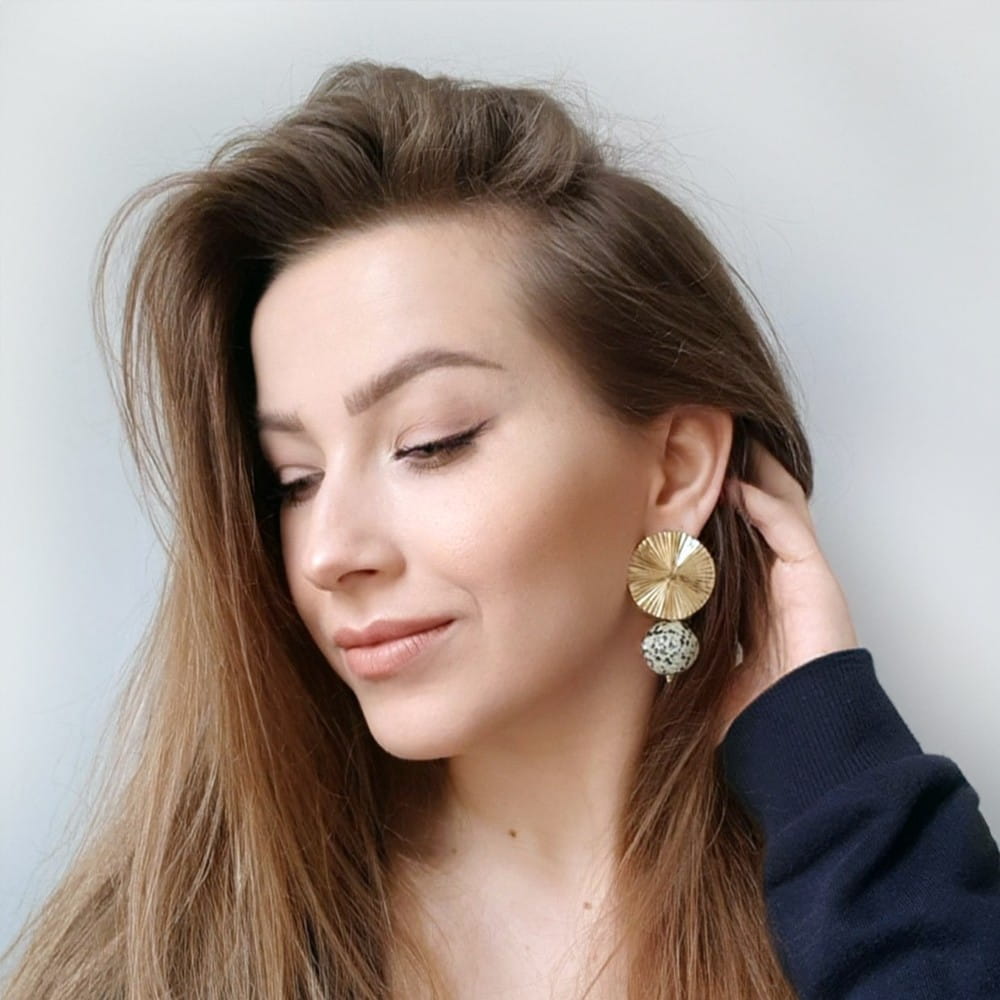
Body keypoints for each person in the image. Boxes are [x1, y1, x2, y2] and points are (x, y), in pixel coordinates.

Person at [3, 59, 998, 1000]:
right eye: (292, 481)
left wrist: (835, 763)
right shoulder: (157, 955)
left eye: (430, 443)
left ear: (675, 469)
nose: (329, 552)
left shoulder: (866, 891)